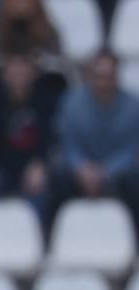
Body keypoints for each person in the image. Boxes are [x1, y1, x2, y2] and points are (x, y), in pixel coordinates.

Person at [48, 51, 139, 231]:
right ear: (90, 77)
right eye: (98, 77)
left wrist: (105, 172)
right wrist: (81, 168)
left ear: (117, 77)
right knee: (57, 178)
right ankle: (52, 237)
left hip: (118, 174)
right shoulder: (71, 103)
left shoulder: (133, 106)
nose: (103, 83)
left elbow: (132, 149)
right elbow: (68, 144)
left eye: (108, 77)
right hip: (80, 173)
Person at [0, 54, 63, 214]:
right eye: (14, 73)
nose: (19, 79)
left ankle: (37, 227)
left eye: (23, 73)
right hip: (3, 165)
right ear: (5, 75)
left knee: (40, 182)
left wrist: (40, 163)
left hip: (33, 163)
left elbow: (48, 138)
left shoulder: (44, 99)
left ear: (33, 74)